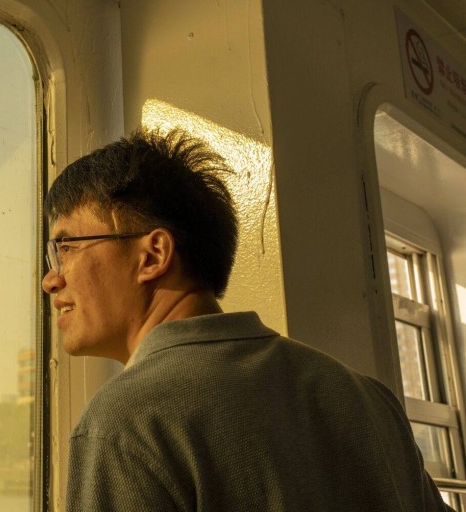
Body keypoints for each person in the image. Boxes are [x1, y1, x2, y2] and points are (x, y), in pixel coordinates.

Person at [41, 128, 451, 511]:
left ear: (152, 256)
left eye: (66, 247)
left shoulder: (125, 422)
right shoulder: (369, 400)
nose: (50, 279)